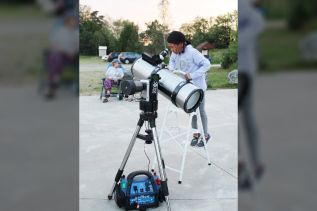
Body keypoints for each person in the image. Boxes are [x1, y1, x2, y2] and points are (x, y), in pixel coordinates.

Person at [167, 31, 211, 147]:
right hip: (186, 88)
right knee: (191, 112)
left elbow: (207, 64)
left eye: (173, 46)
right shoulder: (174, 53)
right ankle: (195, 134)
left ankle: (206, 135)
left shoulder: (192, 52)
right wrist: (171, 69)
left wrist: (193, 75)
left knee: (201, 111)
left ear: (180, 44)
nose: (171, 49)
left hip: (198, 87)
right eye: (170, 47)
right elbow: (171, 62)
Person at [238, 0, 265, 189]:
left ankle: (250, 165)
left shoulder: (246, 8)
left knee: (246, 119)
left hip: (245, 72)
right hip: (242, 71)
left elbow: (258, 23)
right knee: (245, 119)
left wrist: (240, 41)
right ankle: (248, 166)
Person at [46, 10, 79, 99]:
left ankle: (53, 84)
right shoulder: (60, 31)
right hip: (59, 55)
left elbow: (77, 47)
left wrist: (72, 52)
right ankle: (54, 83)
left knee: (55, 59)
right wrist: (61, 50)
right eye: (71, 20)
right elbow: (53, 44)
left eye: (74, 20)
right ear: (67, 21)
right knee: (55, 57)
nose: (73, 22)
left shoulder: (76, 33)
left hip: (71, 57)